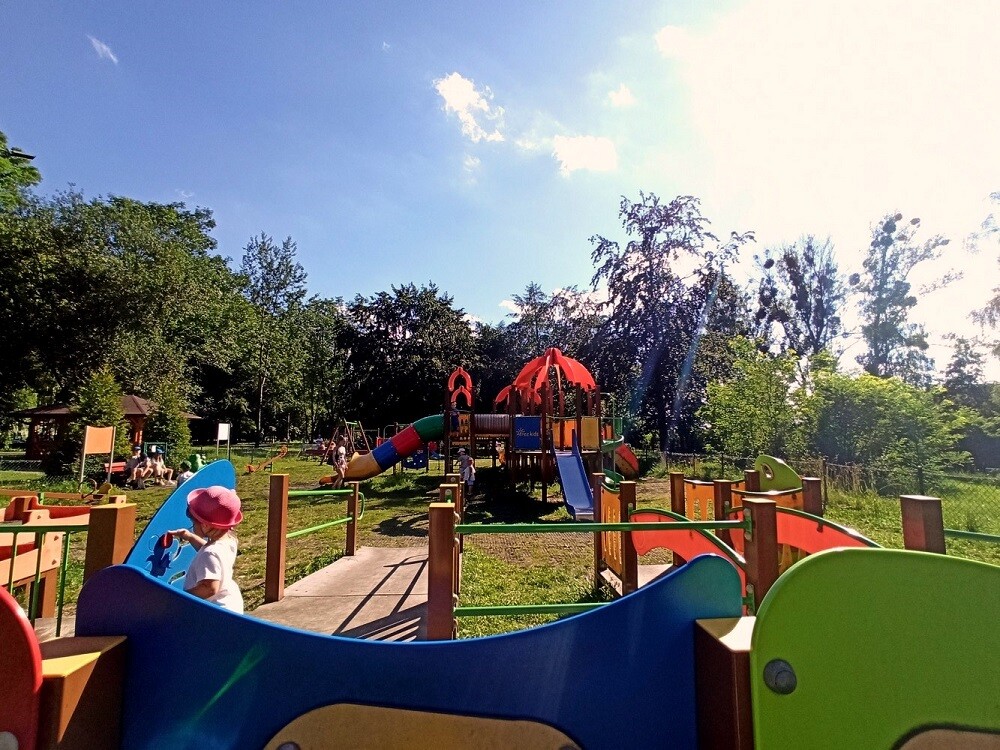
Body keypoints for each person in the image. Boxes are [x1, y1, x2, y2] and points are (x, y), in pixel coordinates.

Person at [168, 486, 244, 613]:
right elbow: (208, 552)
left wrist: (181, 598)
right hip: (230, 603)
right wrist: (190, 537)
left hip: (216, 613)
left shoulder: (210, 553)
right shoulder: (229, 541)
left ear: (205, 525)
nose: (193, 526)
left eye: (193, 523)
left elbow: (210, 588)